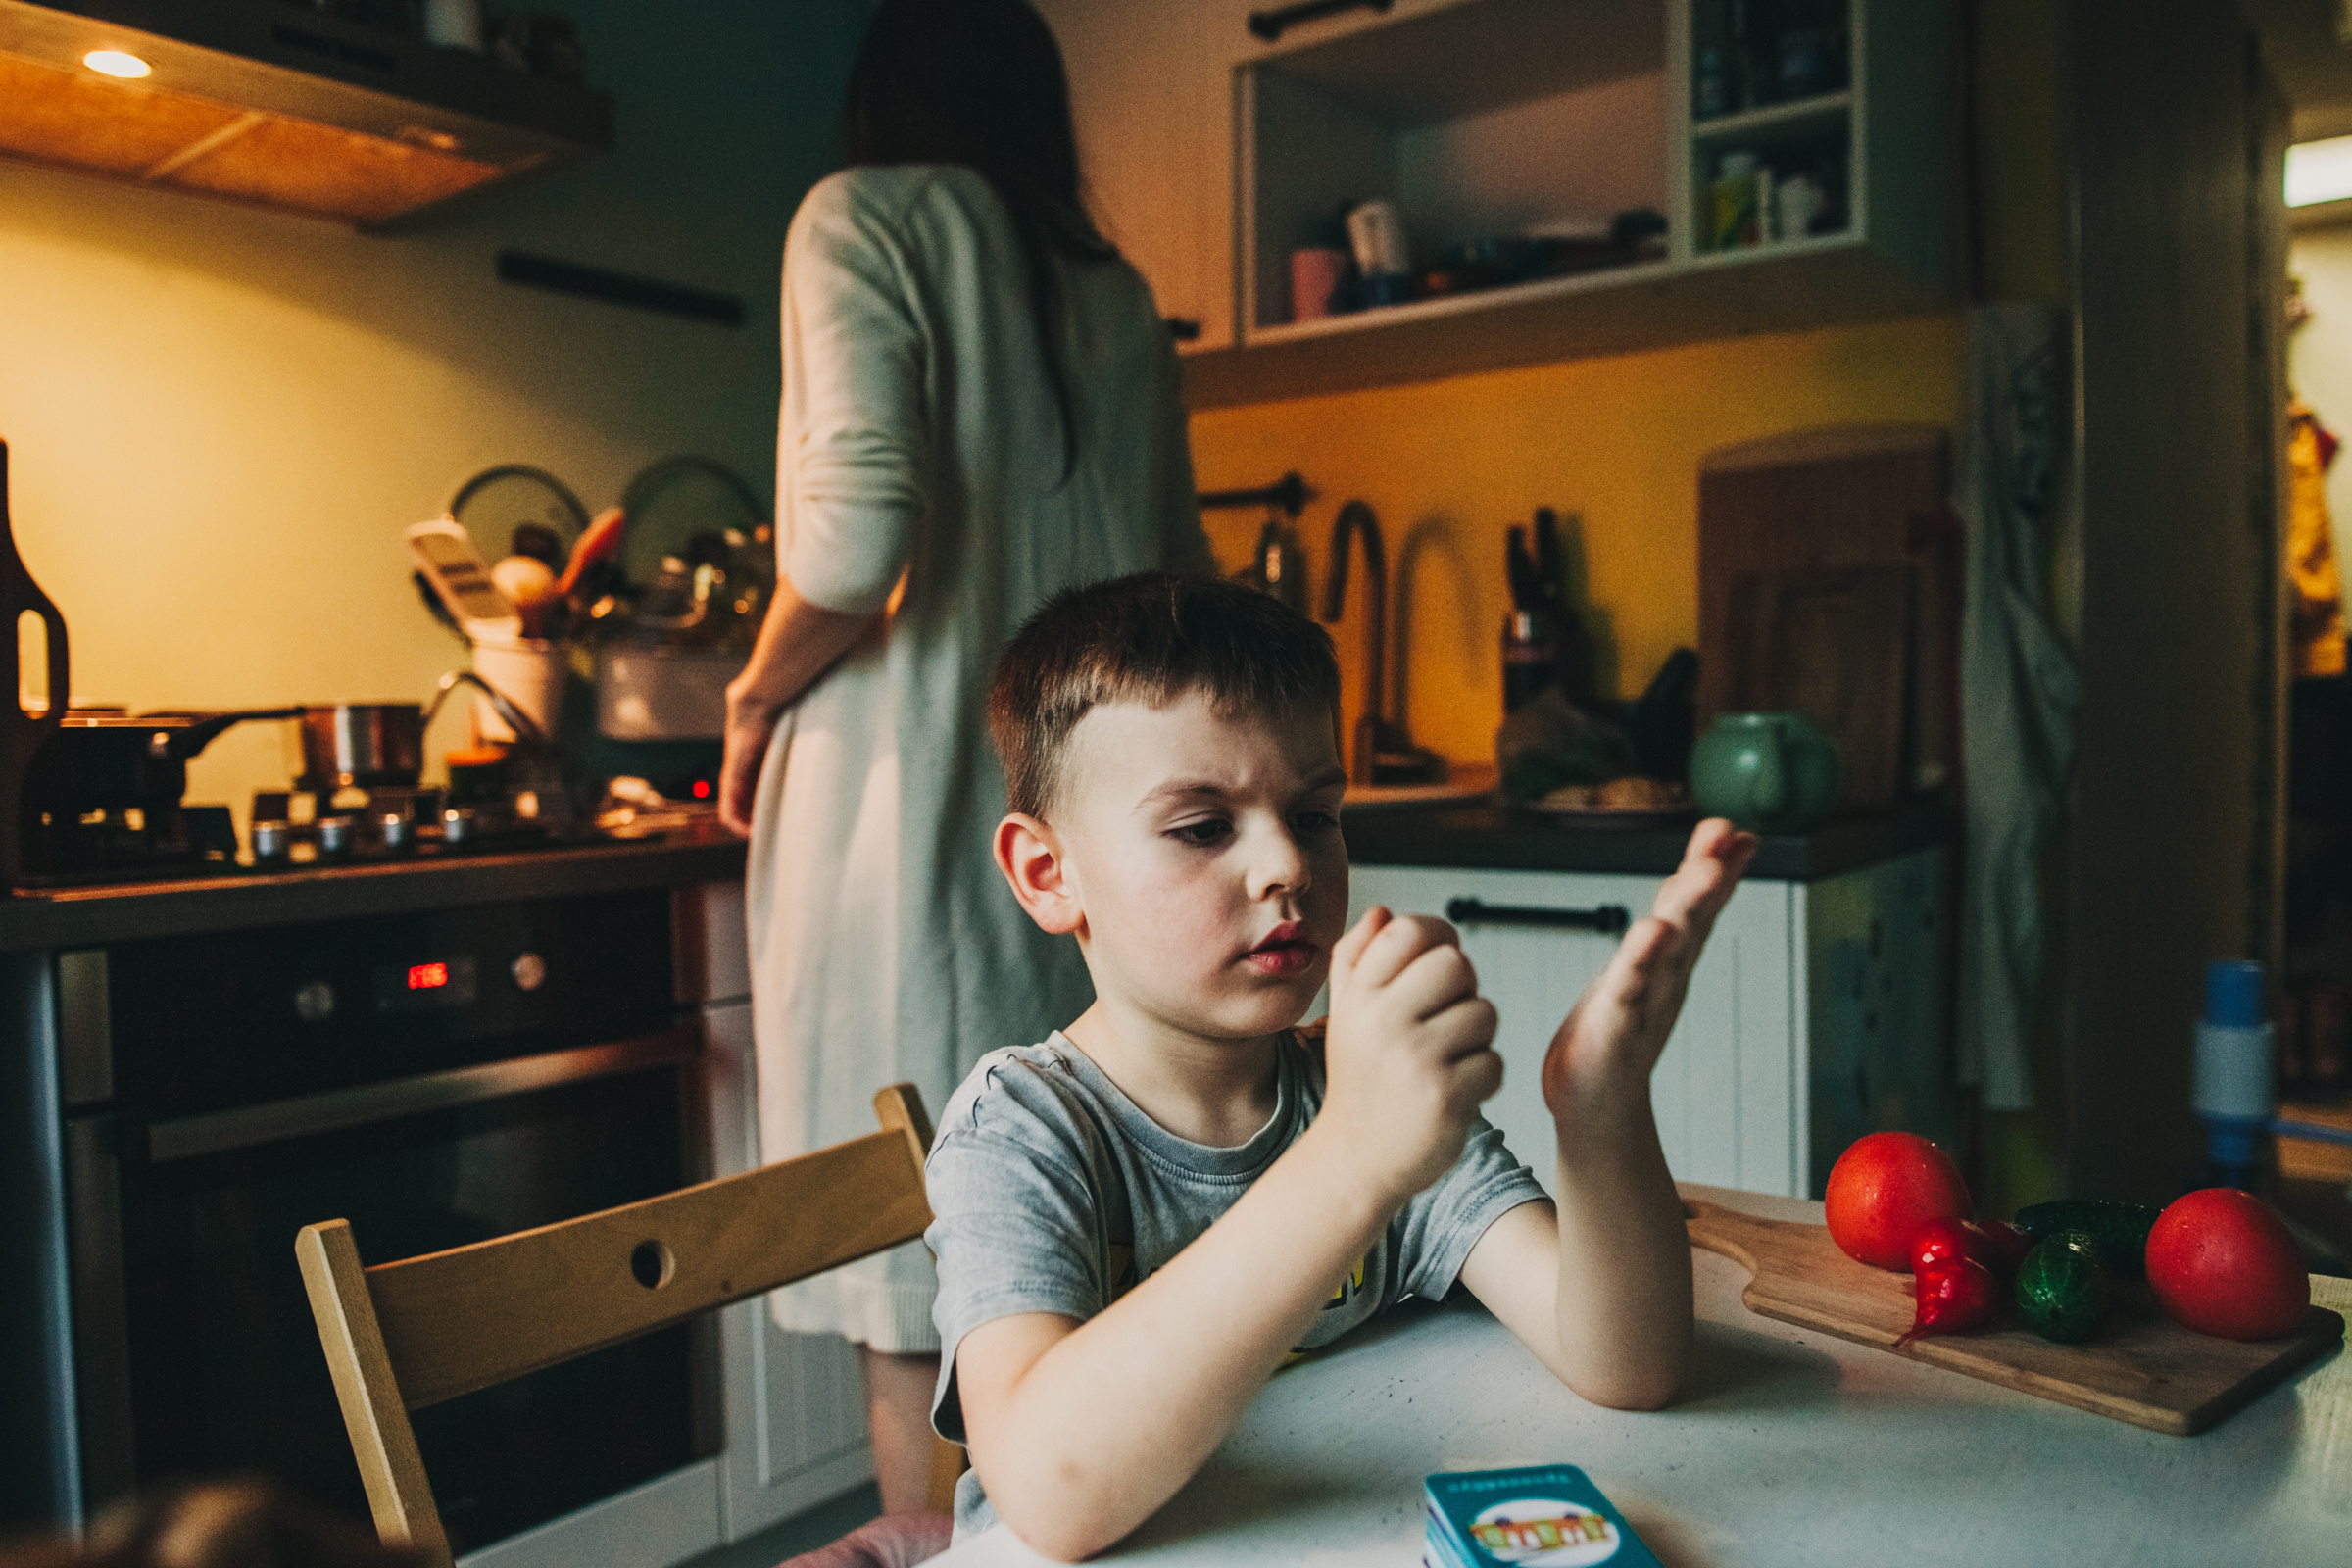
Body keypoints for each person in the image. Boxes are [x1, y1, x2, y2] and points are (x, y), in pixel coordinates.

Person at [924, 573, 1757, 1557]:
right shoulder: (1019, 1129)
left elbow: (1629, 1363)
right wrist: (1353, 1158)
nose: (1287, 863)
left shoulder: (1362, 1087)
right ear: (1048, 874)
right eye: (1202, 826)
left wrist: (1602, 1109)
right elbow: (1052, 1499)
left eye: (1314, 813)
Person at [716, 0, 1212, 1516]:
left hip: (903, 833)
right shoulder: (1115, 294)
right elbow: (1179, 586)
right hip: (1082, 843)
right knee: (1087, 1237)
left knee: (918, 1267)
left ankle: (940, 1549)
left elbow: (857, 542)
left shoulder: (858, 217)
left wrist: (746, 700)